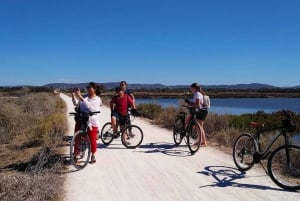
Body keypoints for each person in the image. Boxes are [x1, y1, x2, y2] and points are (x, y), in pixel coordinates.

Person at [71, 82, 102, 164]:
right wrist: (73, 96)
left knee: (92, 139)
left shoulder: (97, 99)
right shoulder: (85, 97)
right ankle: (76, 153)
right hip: (82, 119)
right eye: (87, 87)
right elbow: (76, 104)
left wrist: (80, 97)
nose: (88, 88)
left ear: (94, 89)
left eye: (90, 87)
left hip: (91, 121)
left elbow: (90, 108)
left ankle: (93, 155)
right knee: (77, 137)